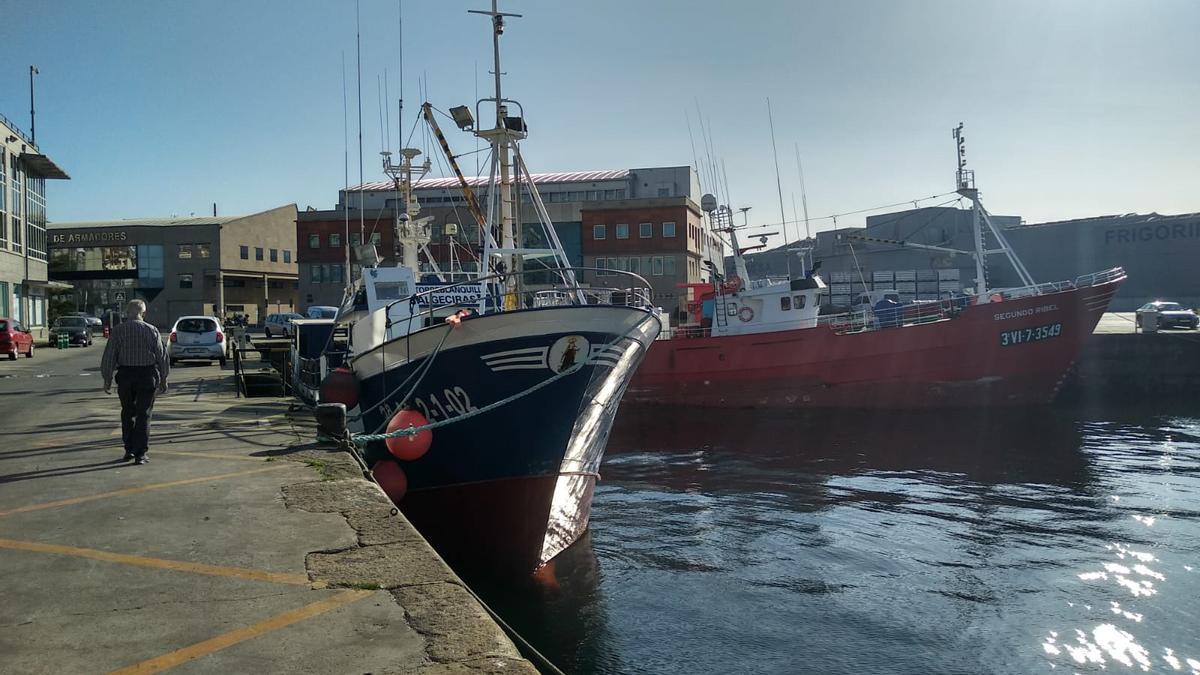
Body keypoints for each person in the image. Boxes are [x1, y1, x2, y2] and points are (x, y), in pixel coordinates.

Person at [101, 299, 169, 465]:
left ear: (127, 312)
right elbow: (162, 357)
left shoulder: (118, 331)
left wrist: (107, 379)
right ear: (143, 313)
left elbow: (110, 356)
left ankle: (128, 449)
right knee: (143, 414)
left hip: (125, 375)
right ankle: (141, 453)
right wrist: (164, 378)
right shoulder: (152, 330)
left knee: (127, 412)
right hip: (147, 375)